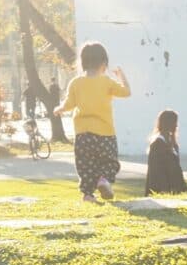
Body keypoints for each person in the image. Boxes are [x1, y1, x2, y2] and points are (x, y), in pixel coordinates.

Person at [55, 41, 132, 202]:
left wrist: (59, 108)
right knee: (109, 162)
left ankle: (88, 194)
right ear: (104, 63)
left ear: (82, 62)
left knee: (86, 165)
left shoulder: (76, 83)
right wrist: (121, 76)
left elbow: (69, 104)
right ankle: (104, 180)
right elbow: (126, 92)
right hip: (105, 133)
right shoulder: (107, 82)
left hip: (83, 134)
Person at [145, 109, 187, 195]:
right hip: (161, 190)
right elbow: (156, 171)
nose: (176, 125)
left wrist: (182, 187)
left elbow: (176, 168)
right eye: (174, 122)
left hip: (175, 190)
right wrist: (164, 190)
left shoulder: (173, 143)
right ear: (168, 123)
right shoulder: (157, 144)